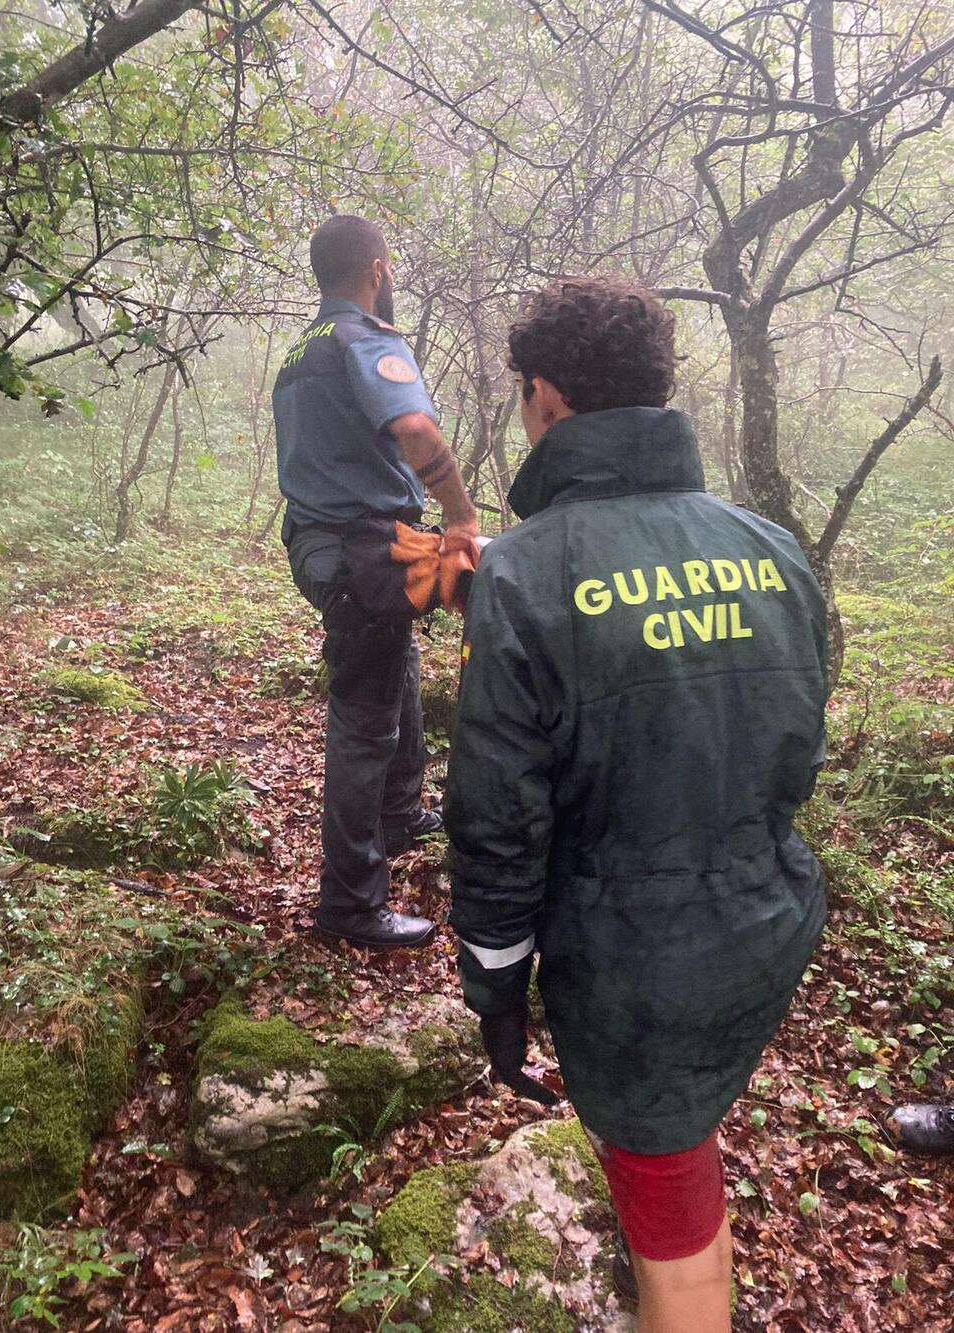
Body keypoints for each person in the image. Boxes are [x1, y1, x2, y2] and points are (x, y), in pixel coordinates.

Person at [446, 277, 828, 1333]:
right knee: (676, 1150)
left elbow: (495, 822)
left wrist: (494, 986)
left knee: (670, 1223)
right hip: (760, 924)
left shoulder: (523, 576)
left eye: (524, 395)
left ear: (547, 398)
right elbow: (798, 746)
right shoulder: (770, 549)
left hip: (635, 964)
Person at [273, 215, 478, 952]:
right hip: (359, 549)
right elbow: (417, 433)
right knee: (364, 720)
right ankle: (351, 902)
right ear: (378, 269)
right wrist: (460, 517)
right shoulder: (365, 339)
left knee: (402, 666)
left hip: (326, 543)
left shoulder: (300, 352)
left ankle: (400, 810)